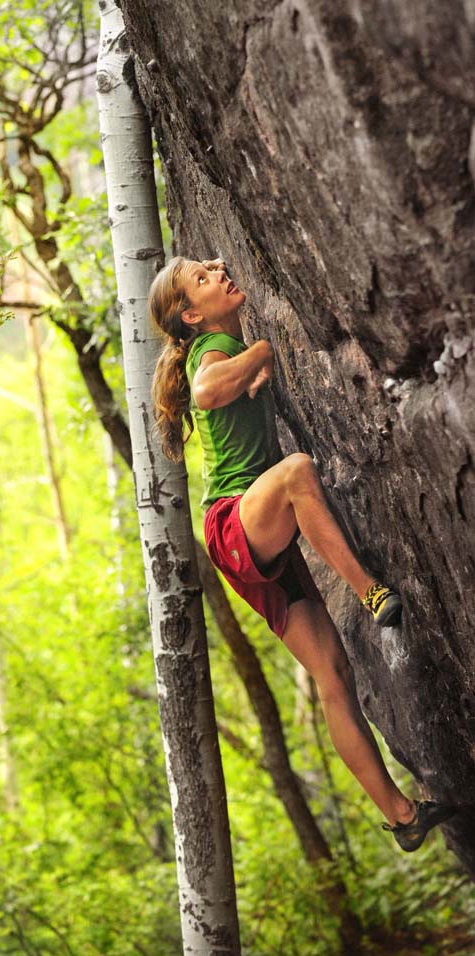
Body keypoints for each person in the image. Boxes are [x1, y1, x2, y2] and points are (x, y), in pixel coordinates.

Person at [148, 255, 456, 852]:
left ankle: (401, 817)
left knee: (333, 674)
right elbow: (207, 389)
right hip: (235, 525)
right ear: (191, 314)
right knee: (295, 472)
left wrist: (255, 363)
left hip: (250, 540)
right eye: (203, 277)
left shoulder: (218, 344)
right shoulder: (207, 349)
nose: (218, 267)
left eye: (213, 265)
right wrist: (261, 354)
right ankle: (370, 591)